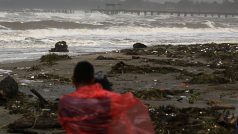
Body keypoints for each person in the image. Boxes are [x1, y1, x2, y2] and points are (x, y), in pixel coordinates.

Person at [58, 61, 155, 134]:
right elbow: (138, 110)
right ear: (92, 79)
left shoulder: (65, 102)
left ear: (73, 80)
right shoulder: (111, 99)